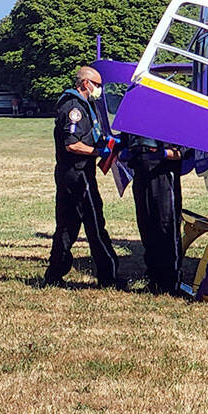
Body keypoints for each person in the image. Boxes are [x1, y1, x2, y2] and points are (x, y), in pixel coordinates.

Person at [42, 65, 121, 288]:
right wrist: (99, 152)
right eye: (97, 85)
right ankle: (109, 276)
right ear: (85, 84)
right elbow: (73, 144)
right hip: (77, 174)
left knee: (67, 225)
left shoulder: (87, 106)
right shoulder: (74, 108)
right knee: (95, 224)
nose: (100, 89)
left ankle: (54, 274)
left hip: (71, 174)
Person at [124, 132, 185, 295]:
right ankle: (154, 277)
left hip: (163, 174)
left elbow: (183, 151)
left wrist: (163, 154)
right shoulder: (136, 117)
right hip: (141, 173)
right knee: (146, 226)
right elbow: (126, 140)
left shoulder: (172, 116)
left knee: (166, 226)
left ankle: (171, 281)